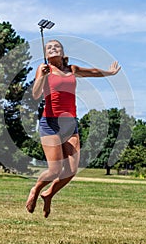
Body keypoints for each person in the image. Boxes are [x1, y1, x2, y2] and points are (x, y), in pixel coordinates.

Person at [26, 39, 121, 218]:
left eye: (57, 47)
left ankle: (49, 195)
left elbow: (92, 72)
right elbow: (36, 93)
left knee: (71, 170)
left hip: (70, 123)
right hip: (50, 123)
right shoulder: (43, 69)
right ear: (46, 55)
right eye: (49, 48)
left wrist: (110, 72)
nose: (53, 49)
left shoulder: (72, 69)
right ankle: (36, 190)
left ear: (62, 53)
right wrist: (43, 77)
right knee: (55, 169)